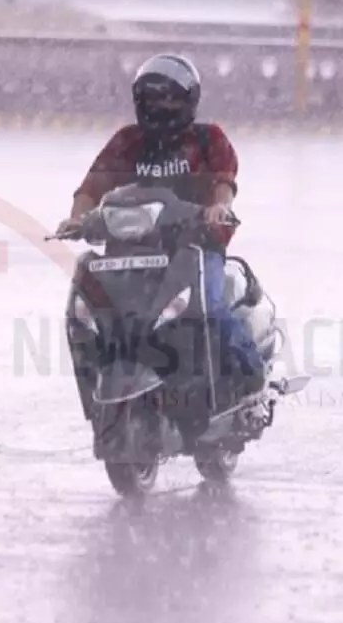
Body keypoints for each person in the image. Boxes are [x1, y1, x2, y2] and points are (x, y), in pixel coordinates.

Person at [56, 53, 266, 403]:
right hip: (131, 251)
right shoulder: (128, 141)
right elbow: (92, 187)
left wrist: (218, 208)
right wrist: (79, 218)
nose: (160, 106)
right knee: (91, 316)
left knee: (210, 310)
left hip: (195, 248)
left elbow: (224, 181)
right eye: (152, 98)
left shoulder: (208, 139)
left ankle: (251, 377)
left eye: (169, 98)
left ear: (188, 101)